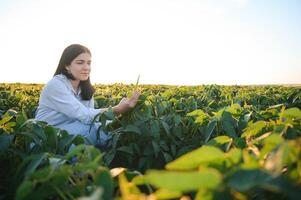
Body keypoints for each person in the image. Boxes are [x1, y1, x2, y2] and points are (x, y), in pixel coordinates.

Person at [35, 44, 140, 146]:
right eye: (80, 63)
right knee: (93, 131)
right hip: (47, 136)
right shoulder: (56, 84)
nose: (86, 67)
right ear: (66, 65)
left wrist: (119, 116)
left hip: (73, 130)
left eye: (89, 63)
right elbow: (85, 115)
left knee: (104, 131)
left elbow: (90, 120)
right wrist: (117, 110)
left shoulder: (84, 88)